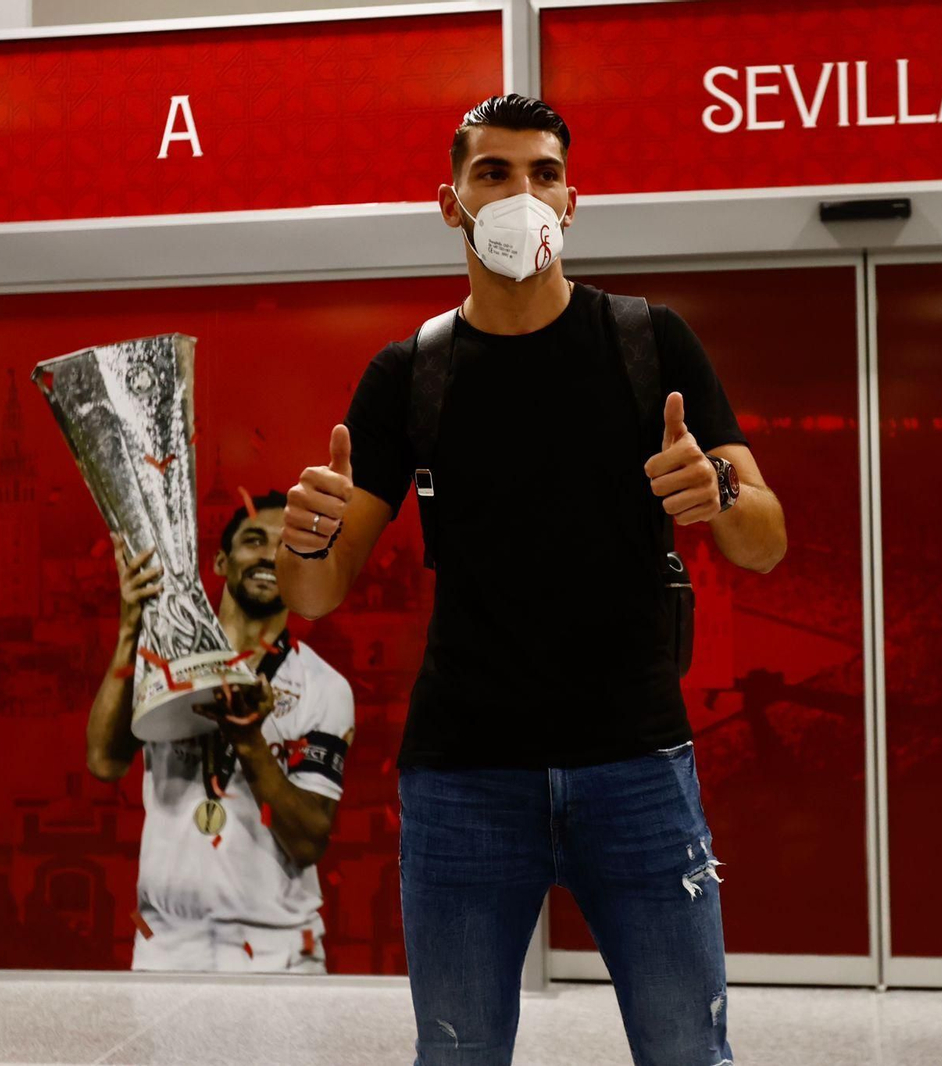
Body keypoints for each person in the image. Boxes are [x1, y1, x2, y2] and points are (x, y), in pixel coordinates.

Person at [277, 94, 786, 1065]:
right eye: (495, 174)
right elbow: (320, 590)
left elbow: (764, 542)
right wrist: (302, 542)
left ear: (573, 198)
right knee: (457, 1053)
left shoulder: (648, 344)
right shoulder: (410, 375)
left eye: (543, 174)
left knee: (689, 1051)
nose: (523, 195)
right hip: (465, 773)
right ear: (449, 201)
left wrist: (716, 488)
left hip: (636, 762)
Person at [87, 491, 356, 973]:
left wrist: (251, 743)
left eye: (287, 548)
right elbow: (104, 762)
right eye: (254, 541)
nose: (270, 556)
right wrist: (132, 629)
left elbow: (308, 841)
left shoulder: (324, 687)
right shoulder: (164, 663)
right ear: (219, 562)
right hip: (165, 948)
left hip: (279, 955)